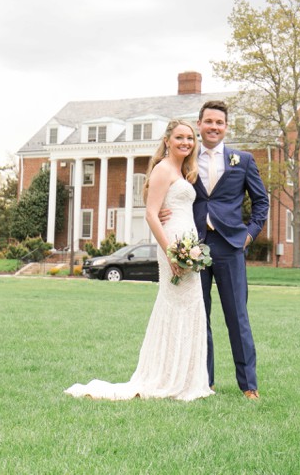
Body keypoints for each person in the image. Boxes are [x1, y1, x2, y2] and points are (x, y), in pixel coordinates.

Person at [65, 120, 214, 401]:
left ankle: (186, 379)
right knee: (176, 306)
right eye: (180, 137)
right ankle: (166, 378)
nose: (186, 142)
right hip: (172, 244)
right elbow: (150, 214)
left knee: (192, 307)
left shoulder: (182, 171)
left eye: (190, 138)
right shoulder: (162, 169)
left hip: (188, 244)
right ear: (168, 140)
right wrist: (171, 251)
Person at [193, 100, 269, 400]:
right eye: (208, 121)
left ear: (226, 127)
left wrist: (249, 236)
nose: (213, 127)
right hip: (194, 246)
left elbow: (261, 202)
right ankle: (204, 381)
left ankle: (249, 385)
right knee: (199, 316)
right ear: (199, 124)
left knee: (237, 316)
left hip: (230, 247)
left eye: (219, 122)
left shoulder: (243, 160)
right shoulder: (185, 158)